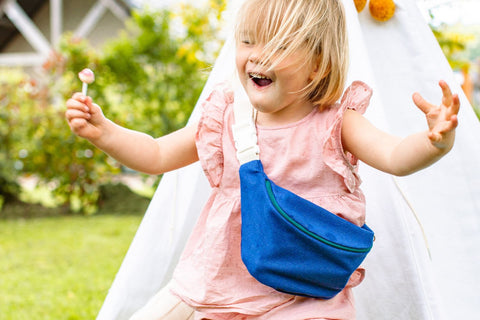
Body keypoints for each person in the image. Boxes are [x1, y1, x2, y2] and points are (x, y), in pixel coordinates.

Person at [65, 0, 459, 319]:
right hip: (222, 285)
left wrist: (433, 142)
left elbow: (394, 156)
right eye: (249, 41)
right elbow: (155, 154)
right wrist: (105, 132)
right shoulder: (226, 115)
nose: (257, 56)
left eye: (280, 46)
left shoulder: (337, 123)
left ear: (319, 62)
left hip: (303, 295)